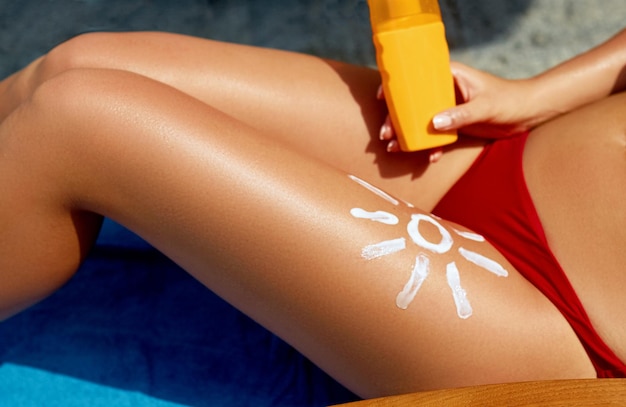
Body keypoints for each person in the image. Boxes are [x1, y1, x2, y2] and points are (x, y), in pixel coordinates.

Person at [0, 27, 625, 399]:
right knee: (81, 64)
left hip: (553, 331)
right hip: (508, 152)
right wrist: (539, 94)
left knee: (80, 124)